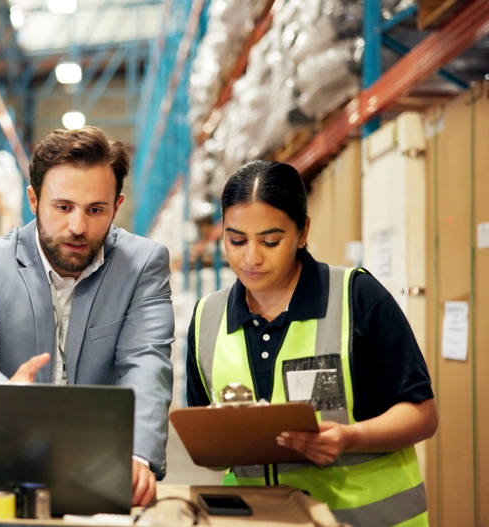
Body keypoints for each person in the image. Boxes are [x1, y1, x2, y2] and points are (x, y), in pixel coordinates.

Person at [186, 160, 437, 526]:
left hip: (362, 518)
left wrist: (351, 438)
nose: (251, 258)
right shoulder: (208, 317)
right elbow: (208, 446)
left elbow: (422, 415)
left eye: (271, 241)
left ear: (302, 232)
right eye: (236, 240)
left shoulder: (357, 297)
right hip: (259, 518)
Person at [0, 126, 175, 507]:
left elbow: (146, 362)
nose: (78, 226)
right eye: (63, 207)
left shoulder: (142, 265)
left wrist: (137, 455)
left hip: (99, 474)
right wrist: (3, 396)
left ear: (117, 205)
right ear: (33, 199)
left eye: (96, 210)